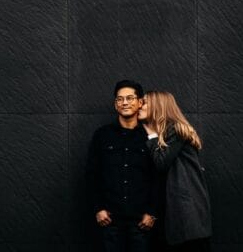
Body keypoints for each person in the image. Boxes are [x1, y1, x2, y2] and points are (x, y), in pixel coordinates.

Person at [86, 80, 162, 252]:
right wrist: (98, 208)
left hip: (142, 221)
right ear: (115, 104)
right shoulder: (102, 135)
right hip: (110, 219)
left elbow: (157, 176)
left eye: (130, 98)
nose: (125, 102)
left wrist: (152, 212)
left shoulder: (150, 136)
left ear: (140, 102)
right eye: (120, 99)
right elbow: (92, 174)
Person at [139, 91, 212, 252]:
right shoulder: (166, 132)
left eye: (144, 102)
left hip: (186, 211)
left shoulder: (176, 129)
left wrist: (151, 135)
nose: (139, 106)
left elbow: (161, 162)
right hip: (174, 210)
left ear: (157, 105)